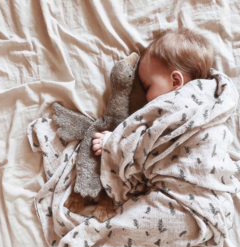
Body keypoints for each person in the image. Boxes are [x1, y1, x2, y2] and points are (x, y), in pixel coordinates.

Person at [92, 28, 214, 156]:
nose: (145, 96)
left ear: (176, 82)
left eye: (148, 87)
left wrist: (112, 143)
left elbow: (147, 144)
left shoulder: (176, 107)